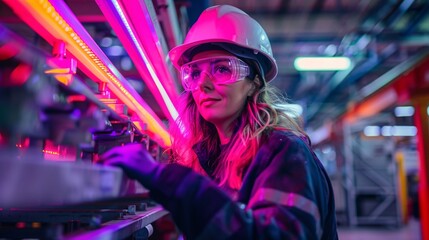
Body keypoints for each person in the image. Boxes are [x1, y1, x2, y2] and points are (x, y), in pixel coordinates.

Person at [99, 5, 338, 239]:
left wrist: (165, 178)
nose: (203, 84)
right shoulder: (210, 158)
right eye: (194, 73)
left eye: (222, 69)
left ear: (254, 82)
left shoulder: (284, 152)